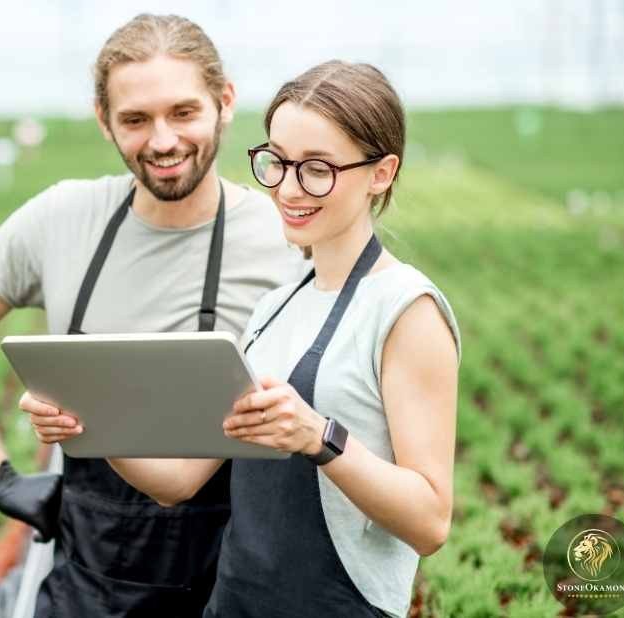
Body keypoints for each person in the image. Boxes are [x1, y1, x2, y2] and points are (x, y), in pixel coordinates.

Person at [0, 14, 305, 618]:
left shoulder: (284, 241)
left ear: (224, 102)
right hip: (90, 585)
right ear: (104, 120)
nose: (162, 141)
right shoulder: (62, 221)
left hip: (232, 583)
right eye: (135, 120)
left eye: (183, 112)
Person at [28, 60, 461, 618]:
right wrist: (88, 418)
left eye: (317, 169)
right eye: (277, 162)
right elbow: (179, 481)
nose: (288, 188)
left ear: (381, 173)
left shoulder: (405, 310)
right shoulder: (274, 307)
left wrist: (318, 437)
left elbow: (430, 521)